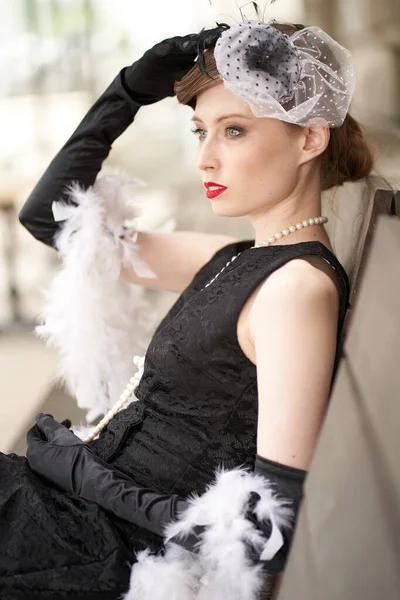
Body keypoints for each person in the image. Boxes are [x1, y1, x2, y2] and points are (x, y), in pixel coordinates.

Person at [1, 17, 374, 600]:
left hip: (107, 551)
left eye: (233, 131)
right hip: (69, 508)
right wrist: (128, 90)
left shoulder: (296, 290)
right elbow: (51, 220)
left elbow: (266, 529)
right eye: (200, 131)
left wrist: (85, 474)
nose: (205, 159)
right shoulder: (237, 258)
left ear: (310, 138)